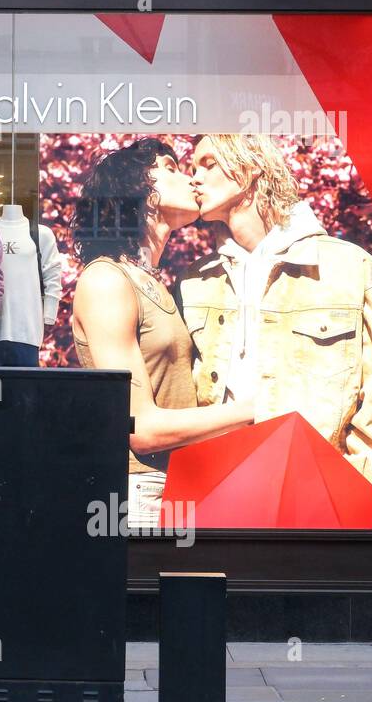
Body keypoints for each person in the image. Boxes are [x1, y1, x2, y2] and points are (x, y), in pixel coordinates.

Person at [181, 133, 372, 497]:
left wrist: (348, 495)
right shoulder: (196, 281)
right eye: (192, 168)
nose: (194, 177)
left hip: (313, 497)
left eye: (208, 164)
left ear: (251, 168)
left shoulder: (350, 269)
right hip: (216, 493)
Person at [70, 138, 255, 526]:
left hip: (183, 483)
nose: (191, 177)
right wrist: (256, 410)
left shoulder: (159, 283)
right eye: (171, 167)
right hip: (144, 492)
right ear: (140, 188)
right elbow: (141, 428)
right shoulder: (106, 279)